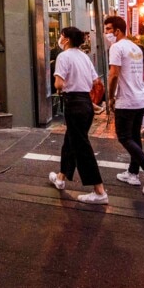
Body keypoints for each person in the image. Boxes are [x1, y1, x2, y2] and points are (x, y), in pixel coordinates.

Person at [105, 17, 144, 195]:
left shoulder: (117, 47)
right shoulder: (136, 48)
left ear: (117, 31)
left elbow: (113, 75)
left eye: (109, 29)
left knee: (124, 137)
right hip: (140, 98)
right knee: (134, 136)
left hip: (127, 100)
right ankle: (132, 173)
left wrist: (110, 97)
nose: (107, 33)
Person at [48, 27, 108, 204]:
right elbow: (95, 81)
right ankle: (60, 178)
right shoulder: (84, 56)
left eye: (61, 36)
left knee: (81, 146)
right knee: (71, 141)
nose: (60, 39)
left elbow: (58, 84)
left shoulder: (63, 56)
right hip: (86, 103)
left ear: (66, 39)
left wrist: (65, 84)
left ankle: (99, 191)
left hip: (73, 103)